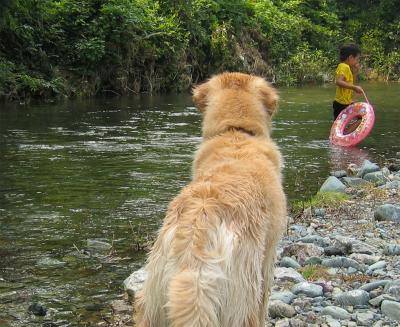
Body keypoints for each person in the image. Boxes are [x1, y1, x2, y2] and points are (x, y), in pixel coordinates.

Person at [333, 43, 364, 120]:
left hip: (345, 103)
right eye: (357, 59)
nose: (357, 61)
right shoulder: (344, 66)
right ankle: (345, 132)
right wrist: (354, 88)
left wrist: (356, 71)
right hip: (341, 104)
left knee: (360, 118)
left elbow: (349, 81)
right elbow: (339, 82)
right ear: (350, 57)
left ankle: (346, 131)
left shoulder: (346, 67)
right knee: (360, 119)